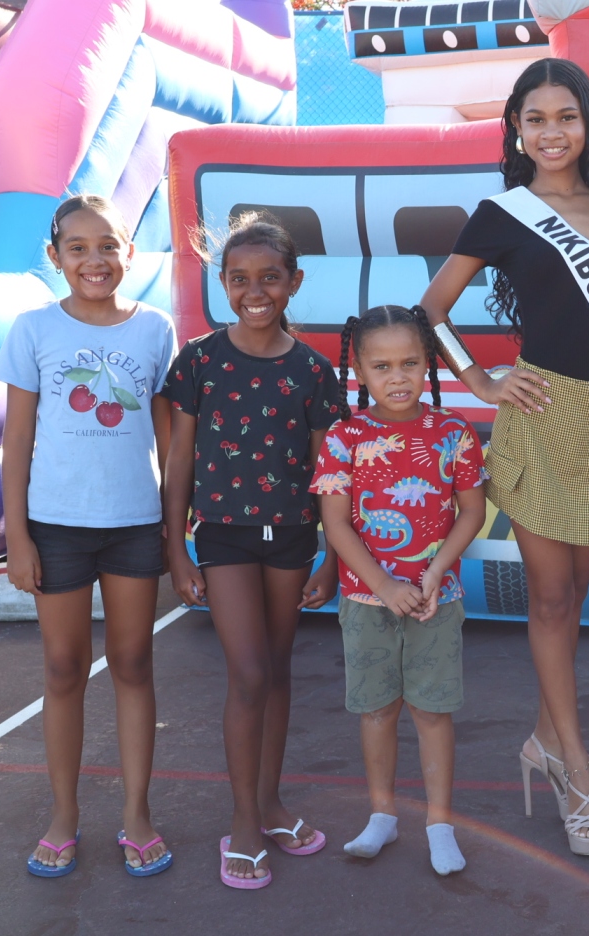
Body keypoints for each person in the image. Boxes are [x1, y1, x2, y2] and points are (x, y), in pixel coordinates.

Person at [418, 57, 589, 857]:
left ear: (587, 123)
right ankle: (579, 770)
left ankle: (543, 739)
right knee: (553, 600)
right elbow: (432, 310)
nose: (552, 131)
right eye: (536, 118)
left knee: (574, 602)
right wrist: (481, 380)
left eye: (567, 116)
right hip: (537, 416)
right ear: (516, 129)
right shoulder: (502, 214)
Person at [0, 195, 177, 878]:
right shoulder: (33, 328)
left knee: (133, 664)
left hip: (134, 523)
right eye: (77, 248)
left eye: (108, 245)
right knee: (63, 668)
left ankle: (137, 814)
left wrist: (174, 523)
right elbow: (16, 438)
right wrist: (18, 535)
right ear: (55, 256)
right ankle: (64, 815)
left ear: (130, 251)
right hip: (56, 527)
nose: (94, 260)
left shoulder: (155, 329)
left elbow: (168, 433)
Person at [162, 214, 344, 888]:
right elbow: (180, 459)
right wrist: (177, 549)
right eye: (239, 279)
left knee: (277, 669)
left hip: (291, 538)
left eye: (270, 277)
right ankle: (242, 822)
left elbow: (330, 475)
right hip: (223, 537)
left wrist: (333, 557)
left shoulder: (313, 371)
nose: (255, 291)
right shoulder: (199, 360)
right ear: (223, 282)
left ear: (294, 282)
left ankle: (270, 803)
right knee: (246, 672)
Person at [313, 306, 487, 876]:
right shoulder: (345, 437)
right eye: (382, 366)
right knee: (376, 710)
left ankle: (440, 824)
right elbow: (336, 523)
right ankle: (382, 815)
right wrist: (384, 584)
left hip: (438, 599)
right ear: (360, 371)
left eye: (410, 363)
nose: (397, 377)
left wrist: (435, 572)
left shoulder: (453, 432)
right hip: (367, 602)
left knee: (433, 713)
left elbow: (471, 512)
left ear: (428, 363)